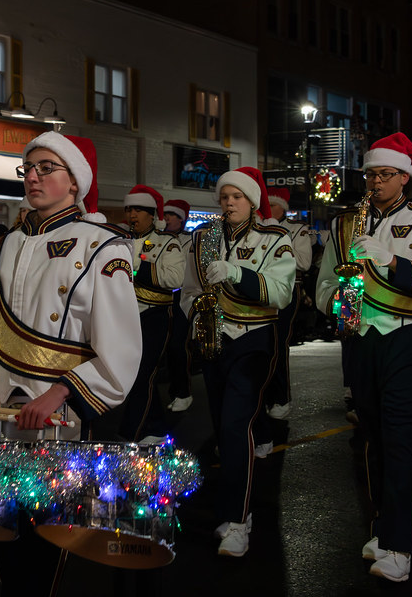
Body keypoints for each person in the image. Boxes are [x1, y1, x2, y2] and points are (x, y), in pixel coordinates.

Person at [0, 131, 141, 597]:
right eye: (28, 168)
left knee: (49, 543)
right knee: (4, 540)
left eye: (46, 167)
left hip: (63, 418)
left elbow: (119, 349)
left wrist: (60, 392)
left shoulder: (103, 247)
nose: (32, 176)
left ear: (74, 182)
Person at [315, 133, 412, 582]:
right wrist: (337, 300)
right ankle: (383, 525)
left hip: (409, 338)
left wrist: (390, 259)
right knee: (373, 437)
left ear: (404, 177)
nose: (375, 181)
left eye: (384, 174)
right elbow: (321, 285)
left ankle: (400, 544)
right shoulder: (344, 223)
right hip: (361, 337)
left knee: (399, 440)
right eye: (370, 173)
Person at [181, 166, 296, 557]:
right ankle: (232, 507)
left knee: (234, 427)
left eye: (237, 197)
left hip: (254, 340)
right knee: (221, 425)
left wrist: (236, 272)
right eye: (224, 197)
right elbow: (190, 289)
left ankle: (237, 519)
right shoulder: (205, 238)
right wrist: (197, 315)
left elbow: (280, 293)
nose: (229, 203)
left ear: (252, 202)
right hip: (215, 341)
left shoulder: (273, 237)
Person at [118, 185, 185, 443]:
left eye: (138, 210)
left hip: (155, 315)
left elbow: (175, 278)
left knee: (143, 373)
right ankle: (156, 427)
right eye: (129, 209)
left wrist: (137, 267)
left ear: (151, 214)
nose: (132, 215)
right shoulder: (120, 239)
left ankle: (129, 433)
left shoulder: (168, 242)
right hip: (126, 315)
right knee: (136, 374)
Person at [262, 186, 312, 420]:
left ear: (283, 207)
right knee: (260, 346)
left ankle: (281, 398)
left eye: (272, 205)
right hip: (260, 290)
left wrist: (275, 247)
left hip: (287, 289)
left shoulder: (297, 229)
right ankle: (263, 396)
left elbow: (303, 262)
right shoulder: (258, 227)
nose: (267, 209)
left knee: (278, 344)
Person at [163, 198, 195, 411]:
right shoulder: (158, 238)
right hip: (158, 297)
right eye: (165, 214)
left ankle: (183, 392)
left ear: (181, 219)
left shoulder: (190, 240)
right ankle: (174, 390)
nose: (166, 218)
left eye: (171, 215)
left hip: (181, 297)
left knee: (177, 345)